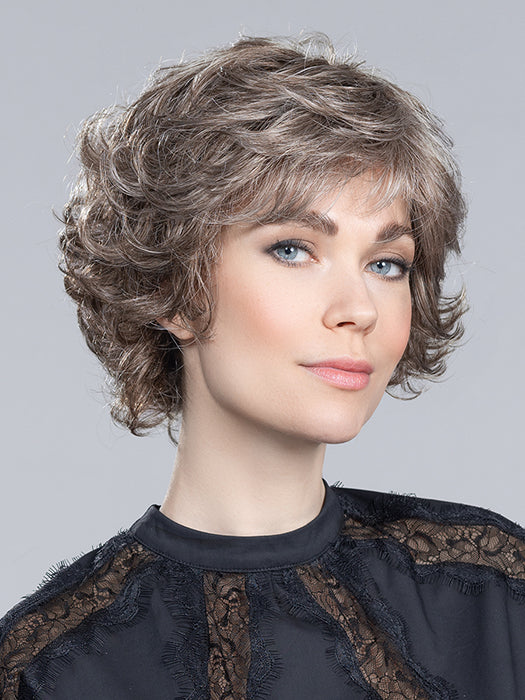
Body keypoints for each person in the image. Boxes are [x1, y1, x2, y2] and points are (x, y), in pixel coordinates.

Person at [1, 33, 524, 700]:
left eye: (386, 264)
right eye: (292, 249)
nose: (358, 309)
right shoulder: (50, 670)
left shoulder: (491, 595)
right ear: (173, 289)